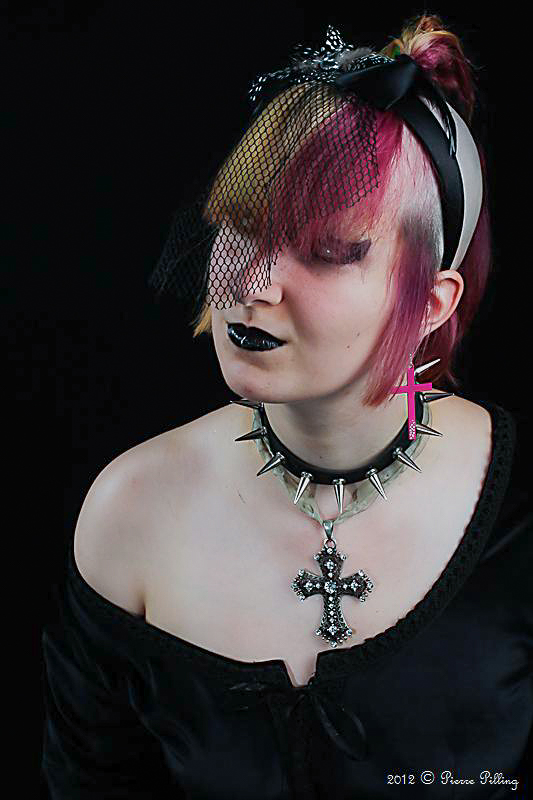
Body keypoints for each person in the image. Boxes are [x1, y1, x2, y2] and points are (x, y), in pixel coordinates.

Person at [41, 14, 532, 799]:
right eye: (241, 229)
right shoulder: (128, 511)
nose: (252, 283)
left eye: (328, 251)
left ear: (431, 303)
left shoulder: (514, 512)